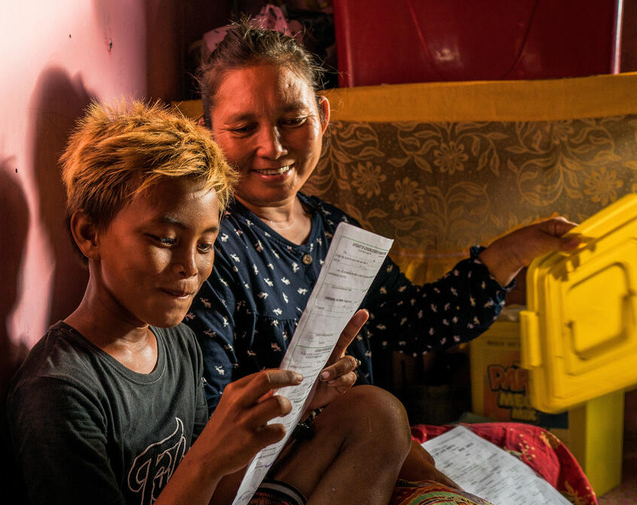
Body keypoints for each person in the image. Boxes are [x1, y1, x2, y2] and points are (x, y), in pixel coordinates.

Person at [183, 19, 580, 486]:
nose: (272, 146)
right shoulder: (210, 247)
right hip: (279, 474)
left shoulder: (335, 230)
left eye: (293, 120)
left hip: (366, 450)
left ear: (323, 117)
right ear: (208, 132)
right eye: (244, 126)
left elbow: (415, 322)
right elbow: (207, 418)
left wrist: (515, 250)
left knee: (536, 448)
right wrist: (309, 403)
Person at [0, 99, 413, 505]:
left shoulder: (176, 343)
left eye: (205, 245)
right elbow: (203, 473)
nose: (189, 267)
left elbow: (214, 495)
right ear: (89, 234)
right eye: (165, 240)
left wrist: (297, 407)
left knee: (375, 414)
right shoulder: (60, 392)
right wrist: (208, 457)